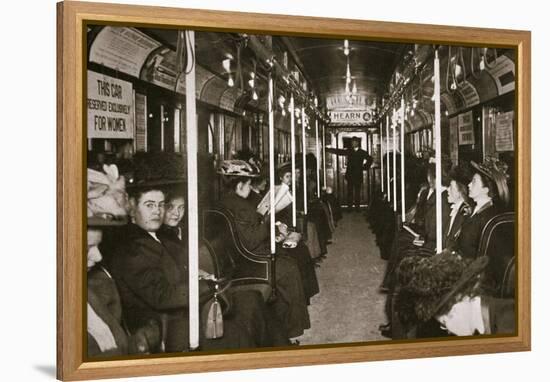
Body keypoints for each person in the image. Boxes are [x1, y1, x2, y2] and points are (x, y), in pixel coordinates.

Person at [110, 181, 258, 352]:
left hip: (184, 311)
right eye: (149, 205)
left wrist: (198, 275)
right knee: (238, 330)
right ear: (131, 206)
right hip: (166, 327)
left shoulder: (159, 237)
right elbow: (162, 296)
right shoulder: (132, 249)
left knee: (252, 302)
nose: (157, 211)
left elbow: (178, 270)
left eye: (160, 205)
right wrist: (208, 286)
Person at [158, 190, 290, 347]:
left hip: (202, 283)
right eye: (171, 207)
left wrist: (199, 273)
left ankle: (280, 348)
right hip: (190, 298)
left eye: (181, 208)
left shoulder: (184, 231)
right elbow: (172, 276)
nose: (176, 213)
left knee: (254, 298)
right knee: (243, 313)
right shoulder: (160, 240)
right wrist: (199, 277)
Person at [217, 159, 313, 339]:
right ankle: (291, 328)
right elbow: (252, 240)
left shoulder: (224, 202)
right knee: (289, 268)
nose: (250, 187)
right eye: (247, 184)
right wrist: (269, 219)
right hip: (251, 260)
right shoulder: (242, 207)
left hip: (233, 257)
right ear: (239, 185)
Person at [325, 136, 373, 211]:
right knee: (349, 192)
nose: (352, 144)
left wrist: (364, 167)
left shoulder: (362, 152)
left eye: (354, 142)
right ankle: (349, 207)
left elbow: (370, 159)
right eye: (352, 142)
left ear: (357, 143)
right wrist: (328, 149)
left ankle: (357, 207)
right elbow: (339, 152)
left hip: (358, 175)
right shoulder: (349, 151)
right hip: (350, 175)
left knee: (357, 192)